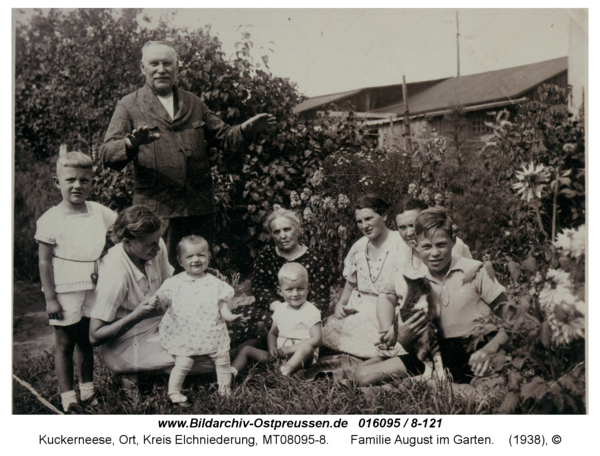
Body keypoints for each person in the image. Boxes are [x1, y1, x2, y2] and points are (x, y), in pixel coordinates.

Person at [100, 40, 276, 267]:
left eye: (167, 63)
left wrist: (244, 130)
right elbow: (107, 153)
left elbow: (225, 138)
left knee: (198, 270)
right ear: (143, 68)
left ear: (177, 67)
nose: (161, 69)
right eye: (154, 63)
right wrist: (130, 144)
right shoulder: (129, 105)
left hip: (198, 209)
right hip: (156, 214)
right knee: (158, 273)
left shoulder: (193, 102)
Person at [354, 208, 508, 387]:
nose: (434, 253)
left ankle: (420, 384)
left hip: (474, 350)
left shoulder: (475, 270)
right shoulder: (417, 282)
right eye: (426, 247)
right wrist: (403, 337)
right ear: (417, 246)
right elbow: (413, 338)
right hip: (435, 353)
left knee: (487, 390)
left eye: (441, 245)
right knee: (362, 376)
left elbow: (511, 321)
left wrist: (490, 349)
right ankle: (426, 381)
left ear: (453, 241)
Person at [89, 206, 216, 379]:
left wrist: (199, 277)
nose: (158, 248)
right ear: (127, 242)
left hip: (162, 327)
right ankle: (141, 375)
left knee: (214, 346)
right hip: (126, 345)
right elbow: (94, 336)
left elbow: (171, 283)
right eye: (150, 244)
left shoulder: (156, 247)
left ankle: (146, 373)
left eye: (158, 240)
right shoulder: (114, 273)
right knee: (209, 362)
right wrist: (136, 316)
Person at [35, 150, 117, 412]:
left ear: (92, 182)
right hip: (64, 289)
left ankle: (88, 391)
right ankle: (68, 398)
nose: (78, 186)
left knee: (86, 339)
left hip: (93, 286)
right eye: (70, 180)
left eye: (85, 180)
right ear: (57, 182)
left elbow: (121, 228)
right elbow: (45, 261)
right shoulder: (50, 219)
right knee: (64, 342)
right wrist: (50, 299)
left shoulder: (99, 212)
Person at [151, 236, 241, 403]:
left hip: (211, 330)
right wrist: (160, 301)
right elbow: (164, 297)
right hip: (185, 332)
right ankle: (174, 392)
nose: (196, 260)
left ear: (208, 257)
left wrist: (230, 317)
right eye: (189, 256)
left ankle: (224, 389)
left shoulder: (216, 283)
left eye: (201, 255)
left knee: (222, 359)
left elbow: (222, 306)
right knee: (183, 361)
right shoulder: (174, 283)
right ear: (180, 261)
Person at [323, 194, 409, 360]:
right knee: (328, 332)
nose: (364, 226)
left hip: (388, 310)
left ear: (383, 216)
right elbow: (349, 285)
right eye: (359, 221)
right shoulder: (359, 246)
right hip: (359, 306)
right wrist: (340, 306)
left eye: (369, 219)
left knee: (379, 343)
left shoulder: (401, 243)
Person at [230, 208, 331, 347]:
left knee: (299, 327)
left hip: (303, 312)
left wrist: (300, 314)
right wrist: (280, 309)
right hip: (272, 310)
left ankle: (265, 342)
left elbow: (321, 297)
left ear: (297, 229)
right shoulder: (266, 255)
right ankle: (260, 342)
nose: (282, 236)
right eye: (277, 232)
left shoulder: (315, 259)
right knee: (240, 318)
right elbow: (260, 287)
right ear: (271, 234)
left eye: (287, 229)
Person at [231, 263, 322, 377]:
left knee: (306, 348)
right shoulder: (280, 309)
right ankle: (231, 373)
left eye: (300, 288)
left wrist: (290, 349)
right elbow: (273, 333)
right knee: (247, 349)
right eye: (289, 289)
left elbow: (317, 339)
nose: (295, 294)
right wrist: (272, 348)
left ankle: (285, 371)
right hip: (280, 356)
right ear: (280, 291)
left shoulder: (310, 310)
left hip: (303, 359)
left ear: (308, 288)